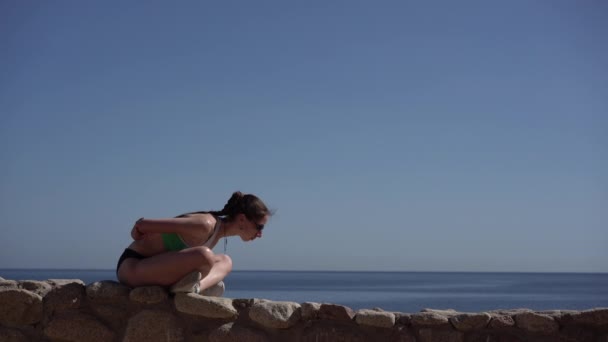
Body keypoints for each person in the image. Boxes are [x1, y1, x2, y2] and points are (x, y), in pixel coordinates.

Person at [116, 191, 271, 295]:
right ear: (242, 219)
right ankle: (189, 288)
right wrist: (141, 237)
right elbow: (142, 225)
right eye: (259, 227)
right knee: (204, 255)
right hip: (134, 267)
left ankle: (194, 289)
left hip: (159, 271)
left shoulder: (216, 234)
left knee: (226, 261)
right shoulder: (205, 225)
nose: (260, 234)